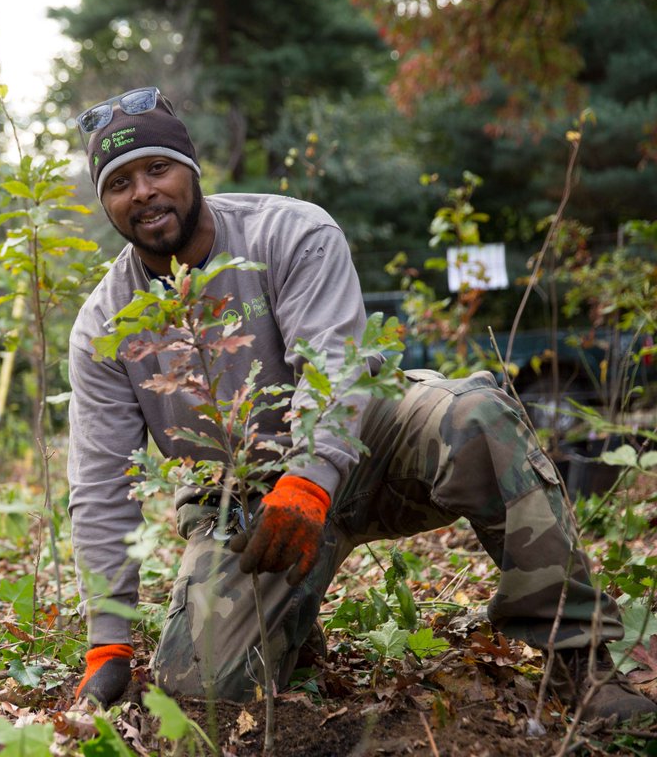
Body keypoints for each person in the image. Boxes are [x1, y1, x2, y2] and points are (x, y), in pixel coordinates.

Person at [65, 86, 657, 722]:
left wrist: (311, 482)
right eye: (120, 181)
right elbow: (103, 486)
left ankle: (585, 665)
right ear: (105, 202)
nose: (144, 192)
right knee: (199, 695)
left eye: (158, 168)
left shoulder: (289, 233)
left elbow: (339, 372)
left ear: (192, 169)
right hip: (247, 503)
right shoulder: (106, 324)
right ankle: (290, 625)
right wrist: (109, 643)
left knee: (476, 417)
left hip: (373, 442)